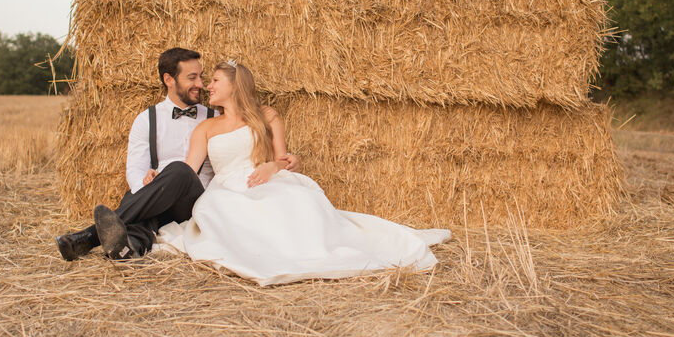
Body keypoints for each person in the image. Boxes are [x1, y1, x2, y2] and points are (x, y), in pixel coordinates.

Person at [153, 59, 451, 286]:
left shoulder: (267, 116)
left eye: (215, 80)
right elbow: (187, 172)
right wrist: (160, 178)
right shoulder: (205, 128)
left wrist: (273, 165)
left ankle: (313, 249)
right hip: (227, 189)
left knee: (296, 199)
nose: (208, 86)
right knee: (227, 210)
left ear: (234, 85)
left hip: (265, 178)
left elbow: (285, 159)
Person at [55, 48, 301, 261]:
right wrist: (151, 182)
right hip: (161, 194)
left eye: (205, 77)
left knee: (173, 177)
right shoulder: (146, 120)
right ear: (169, 79)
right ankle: (126, 249)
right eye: (193, 78)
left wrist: (280, 164)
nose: (203, 85)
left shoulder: (216, 117)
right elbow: (137, 169)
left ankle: (89, 235)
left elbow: (192, 169)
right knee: (143, 204)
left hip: (199, 199)